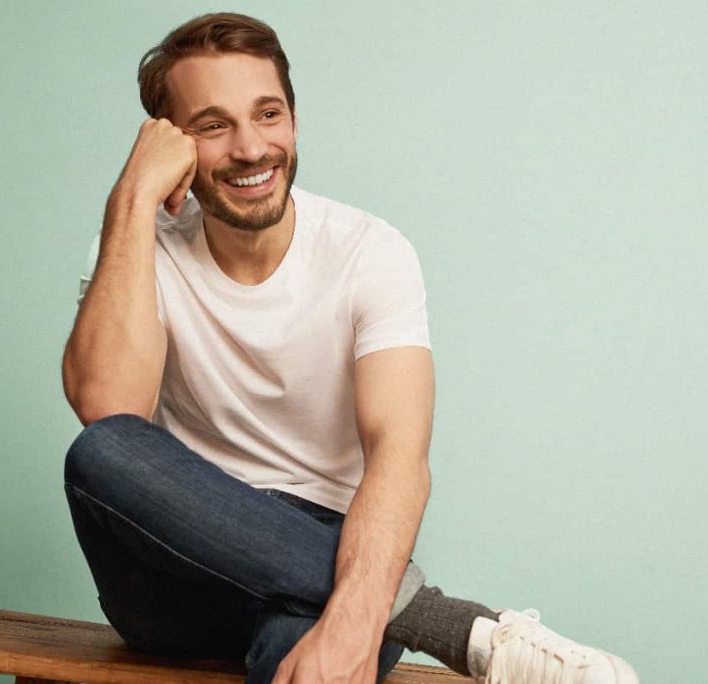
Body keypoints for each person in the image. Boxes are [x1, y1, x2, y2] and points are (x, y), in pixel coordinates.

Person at [61, 12, 639, 684]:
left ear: (295, 121)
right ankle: (451, 626)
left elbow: (400, 451)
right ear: (172, 144)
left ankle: (381, 606)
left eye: (268, 114)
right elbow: (111, 410)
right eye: (213, 125)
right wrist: (132, 196)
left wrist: (361, 608)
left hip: (338, 562)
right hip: (176, 573)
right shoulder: (136, 247)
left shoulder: (369, 252)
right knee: (101, 452)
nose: (251, 148)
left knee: (308, 656)